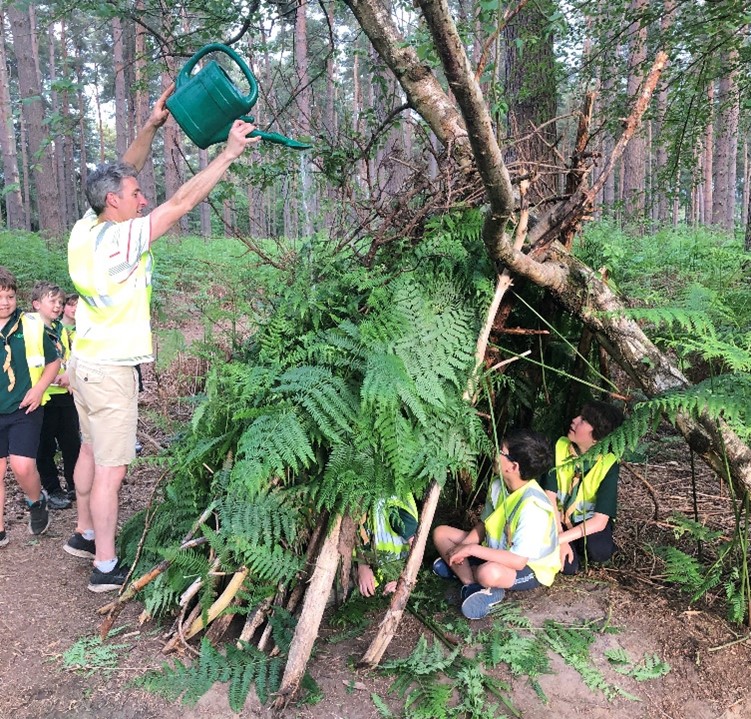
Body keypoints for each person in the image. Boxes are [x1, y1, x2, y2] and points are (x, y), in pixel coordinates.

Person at [64, 86, 261, 593]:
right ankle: (105, 567)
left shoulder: (86, 229)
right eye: (134, 195)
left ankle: (84, 534)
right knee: (110, 471)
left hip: (83, 364)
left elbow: (119, 169)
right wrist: (229, 154)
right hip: (109, 374)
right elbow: (181, 201)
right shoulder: (121, 242)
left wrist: (152, 125)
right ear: (115, 202)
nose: (142, 198)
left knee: (88, 450)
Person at [432, 430, 559, 620]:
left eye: (501, 451)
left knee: (488, 572)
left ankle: (471, 572)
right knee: (441, 533)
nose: (494, 453)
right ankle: (471, 584)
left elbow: (517, 561)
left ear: (513, 466)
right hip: (497, 550)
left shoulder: (533, 506)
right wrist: (463, 546)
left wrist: (470, 550)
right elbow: (484, 525)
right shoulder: (498, 484)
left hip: (529, 568)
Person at [0, 267, 61, 546]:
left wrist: (38, 389)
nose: (5, 302)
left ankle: (36, 503)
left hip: (25, 407)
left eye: (10, 296)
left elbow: (53, 362)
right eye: (0, 297)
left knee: (22, 466)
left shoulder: (30, 325)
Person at [540, 400, 625, 575]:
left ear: (597, 438)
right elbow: (550, 498)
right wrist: (560, 540)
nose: (574, 420)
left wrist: (558, 540)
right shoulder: (559, 446)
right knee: (568, 567)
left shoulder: (608, 463)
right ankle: (570, 547)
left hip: (586, 522)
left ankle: (575, 546)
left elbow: (600, 521)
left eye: (584, 420)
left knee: (599, 551)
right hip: (556, 518)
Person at [30, 282, 80, 510]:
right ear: (37, 304)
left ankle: (74, 483)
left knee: (71, 442)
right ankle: (52, 489)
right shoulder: (30, 330)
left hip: (65, 394)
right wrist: (51, 376)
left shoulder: (61, 329)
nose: (58, 306)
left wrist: (69, 375)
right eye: (53, 301)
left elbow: (67, 356)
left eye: (60, 302)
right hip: (43, 396)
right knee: (45, 445)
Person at [356, 494, 418, 597]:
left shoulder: (398, 510)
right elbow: (359, 531)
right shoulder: (366, 497)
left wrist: (405, 580)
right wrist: (362, 564)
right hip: (375, 577)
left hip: (400, 575)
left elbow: (417, 550)